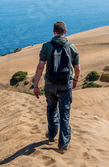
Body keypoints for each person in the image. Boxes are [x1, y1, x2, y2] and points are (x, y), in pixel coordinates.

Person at [33, 21, 80, 154]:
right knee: (64, 113)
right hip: (66, 84)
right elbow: (77, 68)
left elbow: (41, 66)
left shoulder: (46, 46)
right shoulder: (72, 47)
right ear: (65, 32)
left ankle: (52, 135)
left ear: (53, 32)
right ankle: (63, 144)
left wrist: (36, 85)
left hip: (50, 83)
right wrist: (75, 80)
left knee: (51, 107)